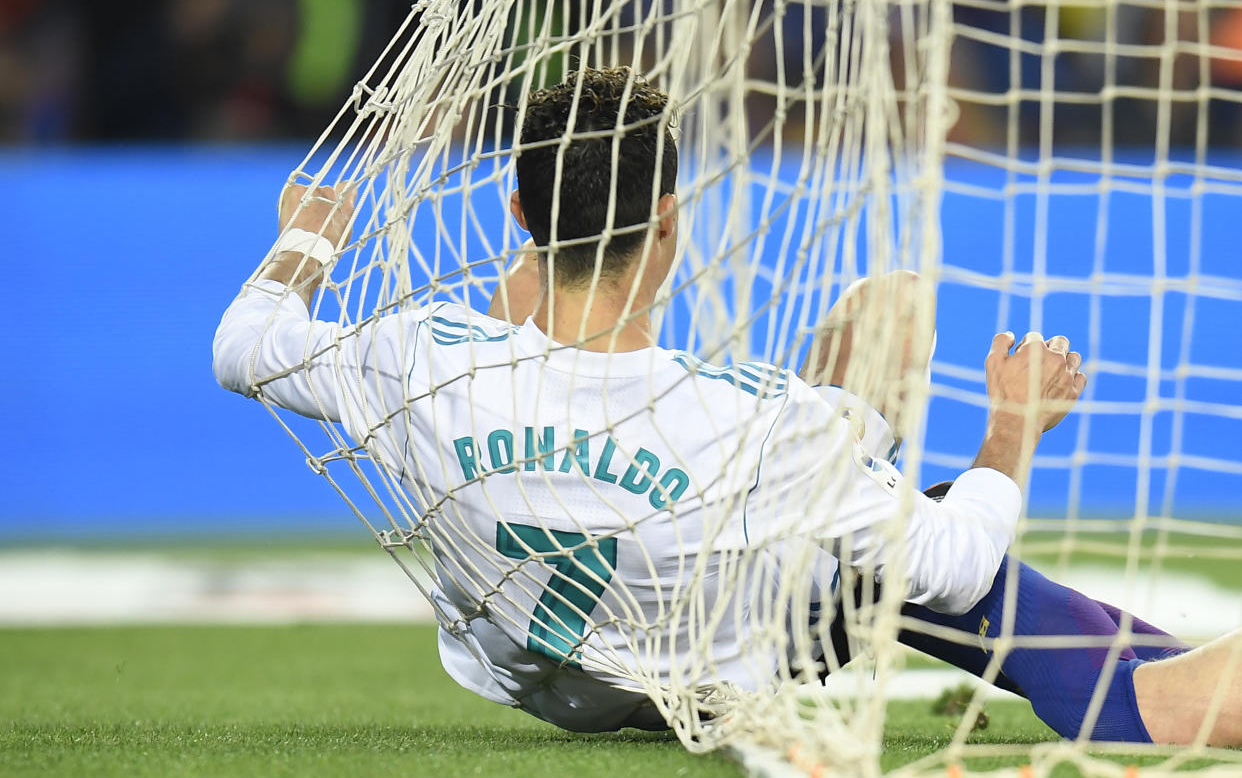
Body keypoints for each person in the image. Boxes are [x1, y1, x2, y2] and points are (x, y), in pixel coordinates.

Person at [214, 66, 1241, 746]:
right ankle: (1154, 696)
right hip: (707, 667)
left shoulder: (418, 354)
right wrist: (1012, 429)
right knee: (912, 433)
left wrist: (307, 237)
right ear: (672, 222)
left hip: (531, 659)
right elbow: (955, 565)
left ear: (519, 214)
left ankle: (850, 467)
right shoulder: (750, 418)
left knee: (855, 338)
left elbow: (244, 345)